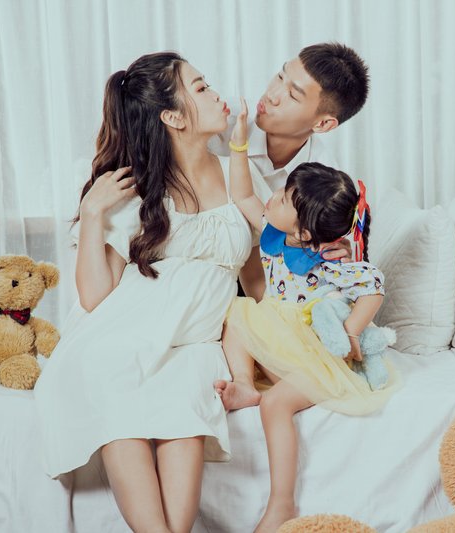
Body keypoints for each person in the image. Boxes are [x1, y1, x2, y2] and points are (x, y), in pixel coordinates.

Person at [34, 52, 253, 533]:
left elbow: (255, 278)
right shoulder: (134, 185)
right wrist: (92, 213)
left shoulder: (237, 172)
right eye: (201, 87)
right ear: (172, 117)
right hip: (123, 334)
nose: (216, 94)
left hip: (195, 344)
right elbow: (95, 296)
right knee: (120, 407)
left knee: (186, 413)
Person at [219, 101, 399, 532]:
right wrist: (239, 145)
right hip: (279, 335)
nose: (273, 197)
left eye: (283, 199)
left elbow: (374, 287)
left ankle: (281, 503)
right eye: (283, 191)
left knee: (277, 405)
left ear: (304, 232)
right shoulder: (274, 231)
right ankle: (244, 383)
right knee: (236, 315)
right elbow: (242, 194)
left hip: (318, 354)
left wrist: (351, 332)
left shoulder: (326, 260)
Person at [209, 42, 371, 298]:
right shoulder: (220, 120)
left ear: (323, 124)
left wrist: (337, 252)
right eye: (280, 76)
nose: (271, 95)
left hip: (265, 290)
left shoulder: (324, 185)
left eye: (293, 95)